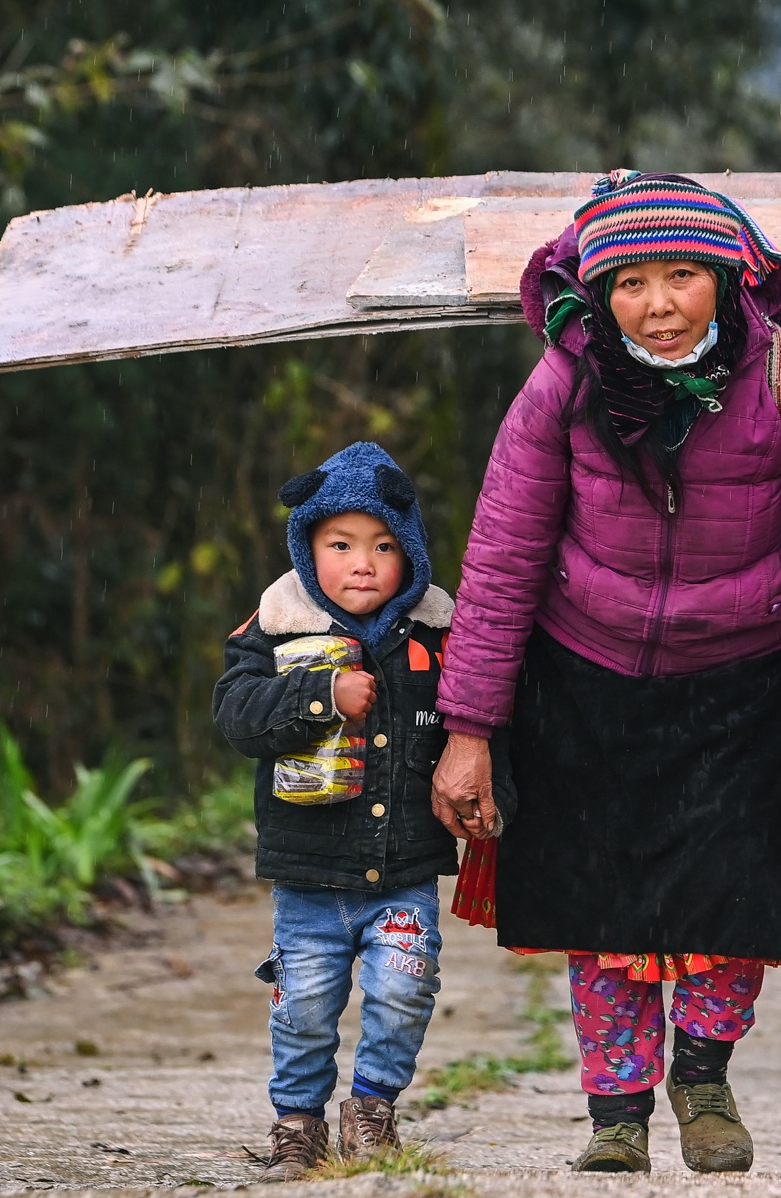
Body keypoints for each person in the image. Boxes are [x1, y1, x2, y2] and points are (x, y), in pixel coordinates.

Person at [432, 171, 781, 1173]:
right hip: (586, 677)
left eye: (682, 274)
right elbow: (502, 554)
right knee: (601, 909)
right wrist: (467, 726)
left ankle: (702, 1073)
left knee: (734, 901)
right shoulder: (566, 378)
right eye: (632, 282)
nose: (658, 303)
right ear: (598, 294)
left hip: (749, 681)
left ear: (727, 277)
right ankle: (616, 1109)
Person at [213, 441, 459, 1181]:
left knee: (406, 987)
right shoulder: (277, 627)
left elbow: (481, 729)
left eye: (384, 546)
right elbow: (236, 716)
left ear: (410, 552)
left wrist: (489, 800)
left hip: (405, 870)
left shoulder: (438, 635)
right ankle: (297, 1123)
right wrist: (320, 697)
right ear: (305, 548)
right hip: (310, 877)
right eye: (341, 545)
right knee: (305, 1007)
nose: (363, 563)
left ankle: (374, 1108)